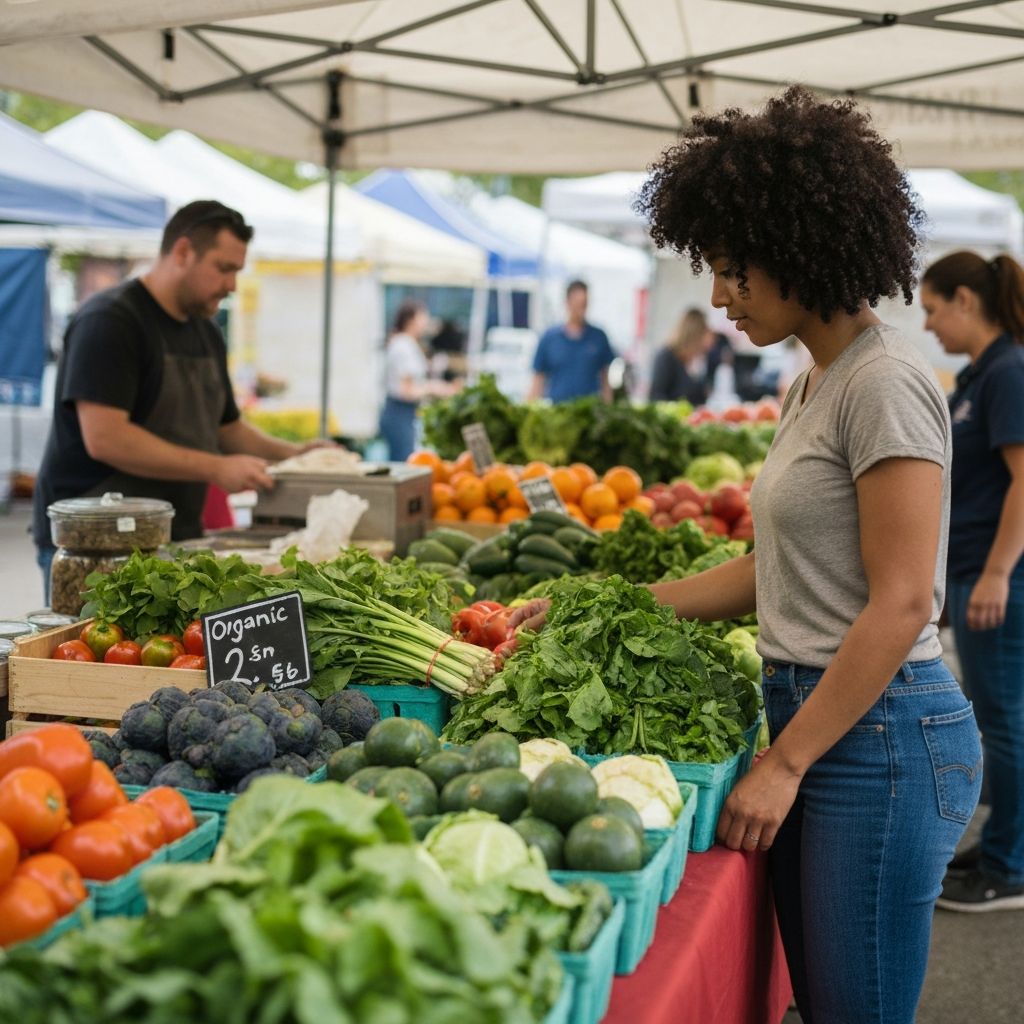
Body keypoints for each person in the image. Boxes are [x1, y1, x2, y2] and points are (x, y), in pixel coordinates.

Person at [511, 87, 981, 1024]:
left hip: (881, 735)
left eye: (733, 271)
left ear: (801, 247)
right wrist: (609, 604)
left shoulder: (885, 385)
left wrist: (786, 763)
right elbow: (772, 574)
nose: (719, 297)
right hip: (825, 715)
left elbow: (899, 606)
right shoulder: (815, 382)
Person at [32, 200, 330, 588]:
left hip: (173, 536)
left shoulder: (205, 330)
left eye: (237, 272)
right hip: (95, 543)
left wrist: (296, 456)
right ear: (183, 251)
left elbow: (227, 428)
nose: (232, 286)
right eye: (224, 269)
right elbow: (106, 439)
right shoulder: (111, 321)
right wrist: (216, 468)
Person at [920, 250, 1024, 912]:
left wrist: (994, 574)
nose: (928, 325)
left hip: (998, 576)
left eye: (932, 310)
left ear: (965, 299)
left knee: (1006, 722)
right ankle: (998, 849)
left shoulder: (1008, 372)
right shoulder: (981, 375)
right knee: (996, 718)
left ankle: (1011, 865)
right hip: (972, 572)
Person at [379, 300, 458, 461]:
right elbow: (406, 390)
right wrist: (435, 388)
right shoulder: (403, 345)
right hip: (399, 412)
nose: (426, 323)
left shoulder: (406, 343)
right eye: (423, 317)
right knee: (404, 463)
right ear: (411, 319)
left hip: (403, 412)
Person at [528, 280, 614, 402]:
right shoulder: (549, 338)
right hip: (558, 411)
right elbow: (538, 379)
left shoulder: (598, 337)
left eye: (584, 304)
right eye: (578, 304)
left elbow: (605, 379)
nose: (581, 309)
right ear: (567, 302)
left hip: (590, 412)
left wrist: (608, 408)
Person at [648, 308, 714, 403]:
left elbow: (700, 398)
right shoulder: (665, 357)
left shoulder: (697, 360)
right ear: (695, 335)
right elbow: (656, 396)